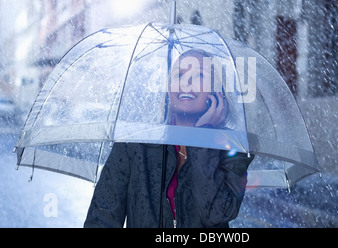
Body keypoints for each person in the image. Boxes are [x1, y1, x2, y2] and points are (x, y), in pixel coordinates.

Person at [84, 49, 253, 228]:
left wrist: (204, 137)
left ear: (218, 92)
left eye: (199, 76)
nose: (185, 83)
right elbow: (102, 219)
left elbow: (217, 213)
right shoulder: (135, 143)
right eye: (178, 75)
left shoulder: (233, 148)